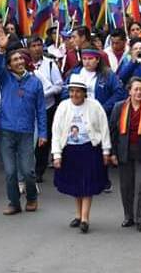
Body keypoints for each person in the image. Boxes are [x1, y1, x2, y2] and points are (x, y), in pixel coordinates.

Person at [51, 73, 112, 233]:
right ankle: (78, 215)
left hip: (89, 149)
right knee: (76, 184)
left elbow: (104, 128)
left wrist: (106, 150)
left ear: (84, 92)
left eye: (78, 91)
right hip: (70, 150)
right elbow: (56, 131)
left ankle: (85, 218)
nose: (74, 95)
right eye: (72, 91)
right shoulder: (63, 106)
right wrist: (56, 154)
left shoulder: (95, 105)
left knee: (87, 184)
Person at [0, 32, 47, 215]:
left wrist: (42, 133)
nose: (19, 62)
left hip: (26, 132)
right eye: (14, 60)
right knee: (10, 172)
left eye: (20, 58)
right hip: (7, 132)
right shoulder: (5, 78)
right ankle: (14, 203)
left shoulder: (35, 83)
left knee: (27, 171)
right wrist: (1, 49)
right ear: (9, 65)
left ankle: (32, 198)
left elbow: (41, 110)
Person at [109, 77, 141, 232]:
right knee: (126, 186)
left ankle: (140, 218)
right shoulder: (119, 108)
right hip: (124, 152)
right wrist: (112, 153)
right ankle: (128, 216)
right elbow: (113, 132)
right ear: (129, 91)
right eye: (135, 89)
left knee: (140, 186)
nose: (139, 92)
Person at [28, 35, 64, 183]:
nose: (37, 48)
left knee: (43, 139)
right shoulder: (23, 63)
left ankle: (39, 170)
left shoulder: (50, 64)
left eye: (39, 45)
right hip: (28, 109)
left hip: (46, 107)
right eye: (34, 45)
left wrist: (43, 94)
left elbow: (58, 85)